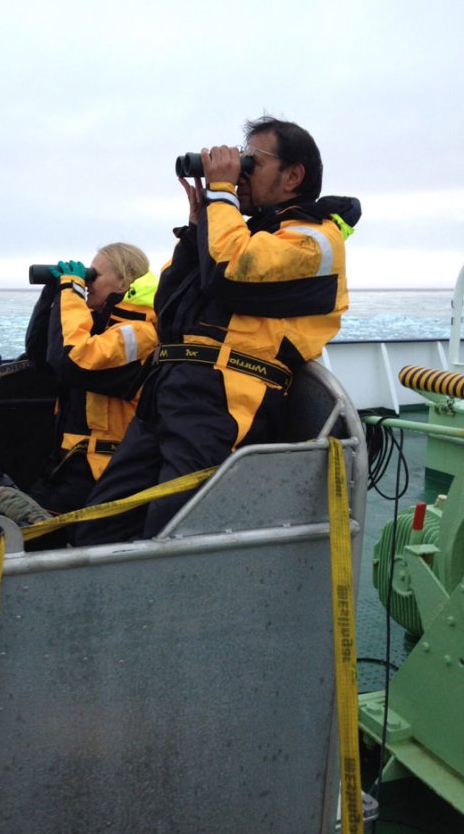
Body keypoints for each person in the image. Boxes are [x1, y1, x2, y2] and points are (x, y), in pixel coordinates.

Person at [74, 115, 362, 545]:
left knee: (173, 535)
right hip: (169, 392)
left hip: (221, 403)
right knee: (101, 527)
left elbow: (230, 275)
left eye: (251, 164)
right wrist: (195, 229)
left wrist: (222, 195)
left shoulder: (315, 241)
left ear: (293, 176)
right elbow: (170, 308)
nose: (238, 174)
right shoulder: (242, 235)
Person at [18, 242, 158, 529]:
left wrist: (72, 291)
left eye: (94, 275)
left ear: (124, 280)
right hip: (69, 464)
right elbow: (42, 356)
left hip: (104, 471)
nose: (88, 282)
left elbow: (71, 361)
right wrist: (53, 294)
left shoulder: (141, 333)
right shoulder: (98, 327)